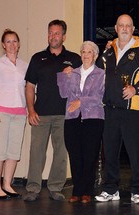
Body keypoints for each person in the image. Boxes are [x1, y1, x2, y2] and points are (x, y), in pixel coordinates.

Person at [95, 14, 139, 204]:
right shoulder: (108, 51)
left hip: (134, 111)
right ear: (116, 28)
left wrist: (136, 89)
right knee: (111, 152)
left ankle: (137, 190)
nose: (124, 29)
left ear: (133, 29)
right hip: (111, 111)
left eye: (128, 26)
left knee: (136, 153)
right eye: (121, 26)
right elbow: (98, 77)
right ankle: (110, 189)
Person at [23, 19, 81, 202]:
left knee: (61, 153)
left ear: (63, 36)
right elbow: (30, 86)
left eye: (56, 33)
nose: (53, 36)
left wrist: (74, 76)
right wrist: (31, 110)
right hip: (40, 114)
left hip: (65, 115)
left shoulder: (74, 59)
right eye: (50, 32)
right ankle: (33, 188)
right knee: (36, 152)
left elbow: (83, 86)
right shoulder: (37, 58)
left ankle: (56, 187)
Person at [57, 41, 104, 203]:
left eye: (89, 52)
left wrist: (81, 101)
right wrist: (64, 76)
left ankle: (87, 192)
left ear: (95, 55)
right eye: (83, 51)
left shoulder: (101, 74)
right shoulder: (73, 73)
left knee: (90, 156)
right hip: (72, 118)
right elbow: (63, 94)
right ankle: (77, 191)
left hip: (93, 118)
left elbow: (99, 97)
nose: (85, 55)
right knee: (75, 155)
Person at [0, 29, 28, 200]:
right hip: (1, 113)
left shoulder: (25, 65)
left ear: (18, 44)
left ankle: (7, 184)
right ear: (3, 45)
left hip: (20, 113)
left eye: (14, 41)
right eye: (8, 42)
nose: (12, 44)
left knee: (13, 152)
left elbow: (30, 89)